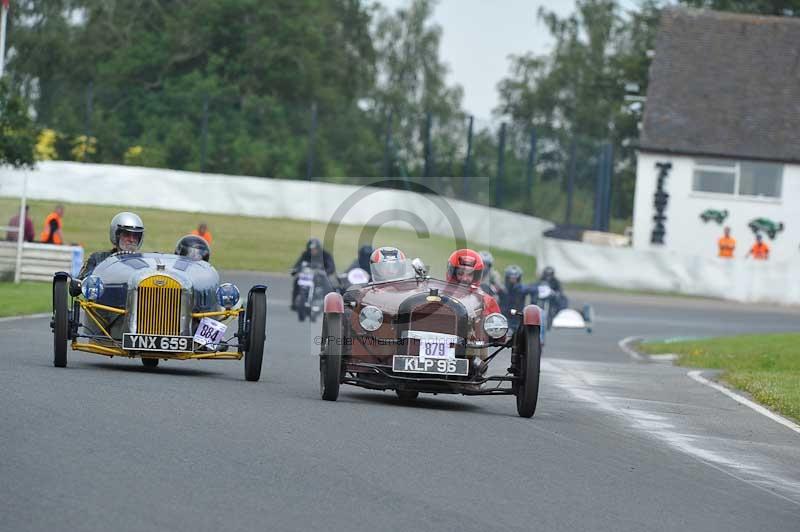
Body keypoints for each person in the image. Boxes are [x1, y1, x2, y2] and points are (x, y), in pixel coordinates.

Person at [78, 212, 145, 278]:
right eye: (126, 235)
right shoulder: (98, 259)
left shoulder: (144, 264)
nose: (131, 240)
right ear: (116, 235)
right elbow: (84, 282)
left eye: (136, 236)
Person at [446, 249, 501, 314]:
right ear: (453, 274)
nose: (464, 278)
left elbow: (496, 322)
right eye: (460, 273)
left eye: (469, 274)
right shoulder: (439, 294)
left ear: (476, 276)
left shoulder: (488, 302)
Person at [291, 238, 336, 309]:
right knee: (297, 281)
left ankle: (328, 303)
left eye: (314, 249)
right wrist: (295, 270)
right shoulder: (305, 254)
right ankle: (294, 303)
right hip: (307, 276)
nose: (312, 251)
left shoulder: (326, 255)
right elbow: (298, 264)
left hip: (320, 276)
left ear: (318, 248)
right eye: (311, 250)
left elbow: (331, 267)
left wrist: (326, 272)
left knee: (329, 285)